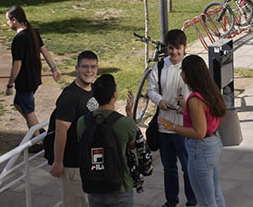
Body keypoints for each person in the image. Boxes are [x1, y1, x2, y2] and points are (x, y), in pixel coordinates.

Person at [158, 55, 226, 207]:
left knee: (205, 200)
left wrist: (173, 127)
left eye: (183, 71)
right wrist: (186, 110)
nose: (181, 74)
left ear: (190, 74)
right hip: (214, 143)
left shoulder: (195, 99)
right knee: (216, 193)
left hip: (200, 150)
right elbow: (205, 118)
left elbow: (198, 132)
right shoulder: (211, 91)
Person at [147, 30, 197, 207]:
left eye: (178, 48)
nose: (174, 53)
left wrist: (187, 105)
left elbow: (200, 92)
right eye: (171, 48)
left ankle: (192, 201)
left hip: (185, 126)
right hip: (164, 126)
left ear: (185, 47)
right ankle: (171, 201)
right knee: (169, 169)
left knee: (188, 167)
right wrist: (159, 101)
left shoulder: (191, 66)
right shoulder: (160, 67)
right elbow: (151, 90)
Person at [49, 51, 100, 207]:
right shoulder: (70, 96)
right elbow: (61, 130)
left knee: (84, 201)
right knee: (75, 203)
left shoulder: (93, 90)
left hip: (87, 161)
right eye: (85, 67)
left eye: (93, 67)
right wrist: (58, 162)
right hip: (72, 163)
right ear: (76, 68)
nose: (89, 71)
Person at [77, 74, 136, 207]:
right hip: (120, 187)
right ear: (114, 95)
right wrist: (129, 113)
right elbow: (133, 145)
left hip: (93, 185)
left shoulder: (82, 122)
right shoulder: (125, 123)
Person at [5, 6, 62, 138]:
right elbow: (45, 51)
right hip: (35, 78)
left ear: (14, 20)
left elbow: (17, 64)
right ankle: (39, 131)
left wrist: (10, 84)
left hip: (25, 81)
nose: (7, 23)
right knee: (18, 104)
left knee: (29, 111)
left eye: (8, 20)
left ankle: (38, 140)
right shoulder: (33, 32)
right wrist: (54, 69)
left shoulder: (18, 39)